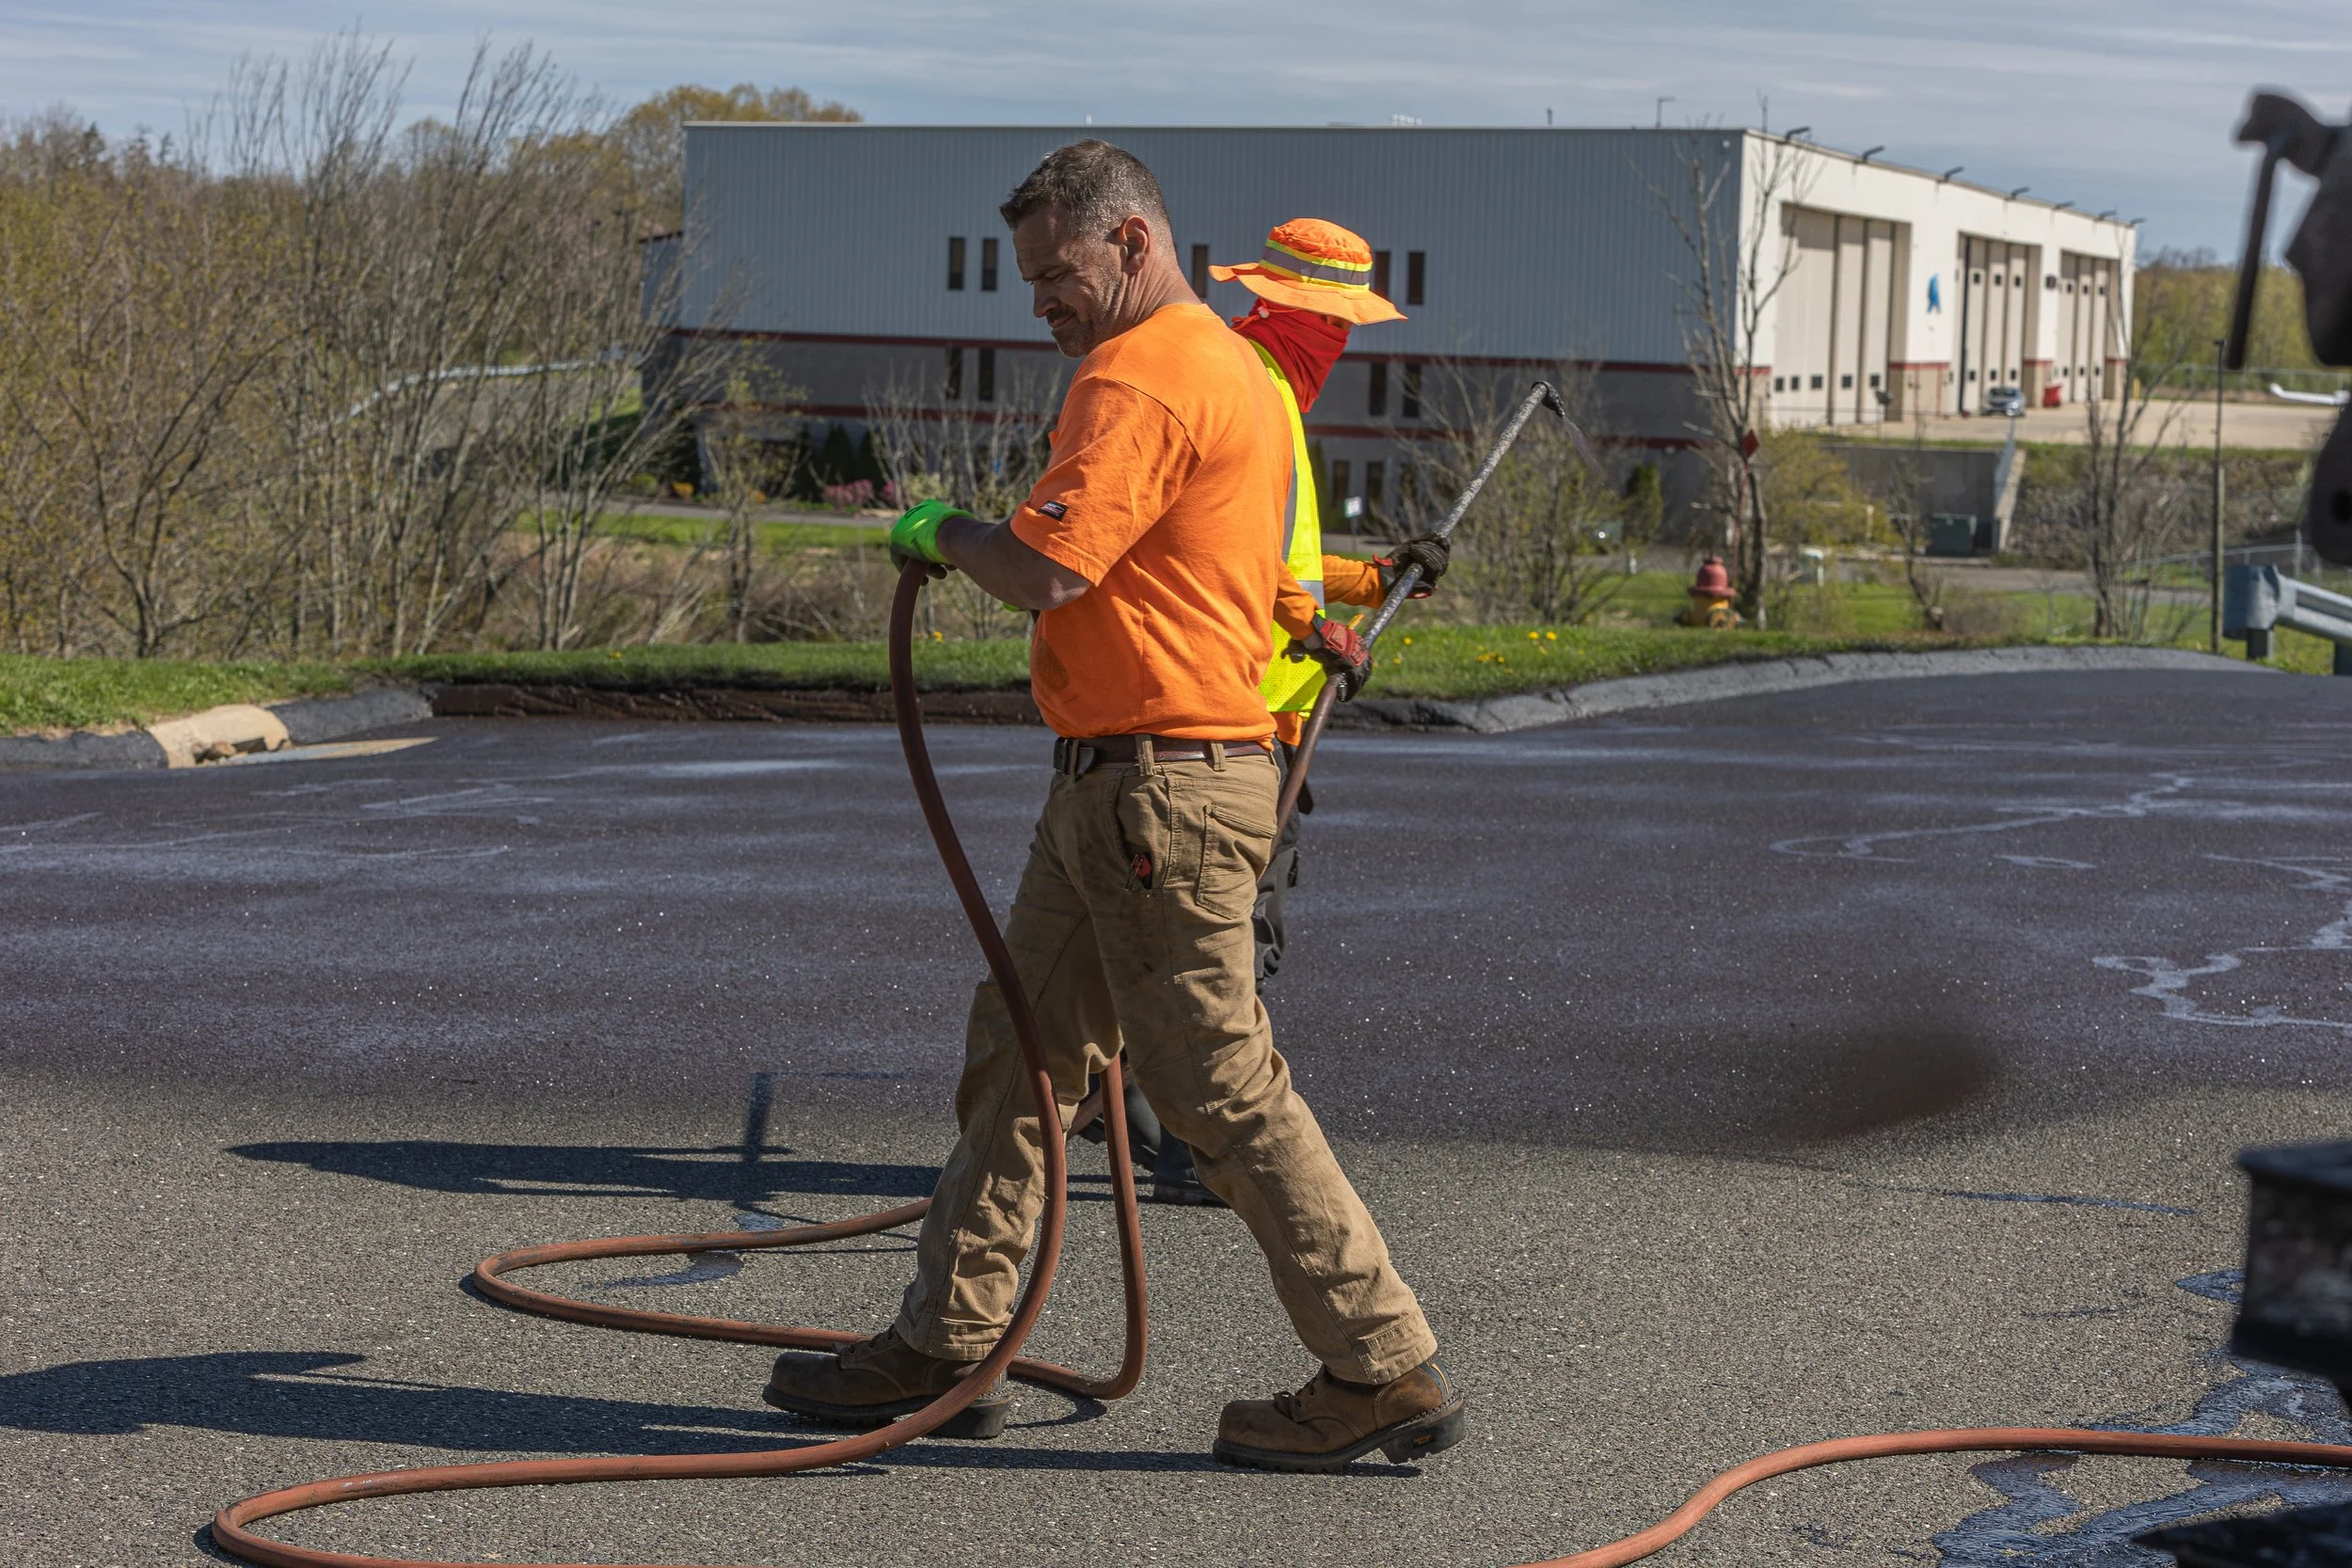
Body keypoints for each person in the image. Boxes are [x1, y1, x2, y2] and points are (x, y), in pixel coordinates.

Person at [759, 139, 1465, 1473]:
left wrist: (937, 531)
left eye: (1056, 271)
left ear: (1132, 240)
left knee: (1215, 1081)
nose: (1040, 300)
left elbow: (1045, 570)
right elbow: (1243, 571)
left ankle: (1380, 1362)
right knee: (1020, 1054)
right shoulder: (1238, 375)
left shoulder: (1140, 373)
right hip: (1127, 788)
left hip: (1160, 795)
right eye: (1030, 277)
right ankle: (952, 1342)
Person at [1094, 218, 1453, 1206]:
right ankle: (1195, 1144)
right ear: (1282, 306)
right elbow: (1232, 563)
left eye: (1346, 325)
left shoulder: (1270, 391)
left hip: (1253, 712)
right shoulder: (1246, 381)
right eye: (1329, 320)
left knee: (1166, 932)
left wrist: (1364, 576)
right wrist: (1315, 627)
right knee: (1227, 939)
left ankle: (1112, 1099)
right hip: (1223, 719)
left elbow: (1276, 552)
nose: (1338, 340)